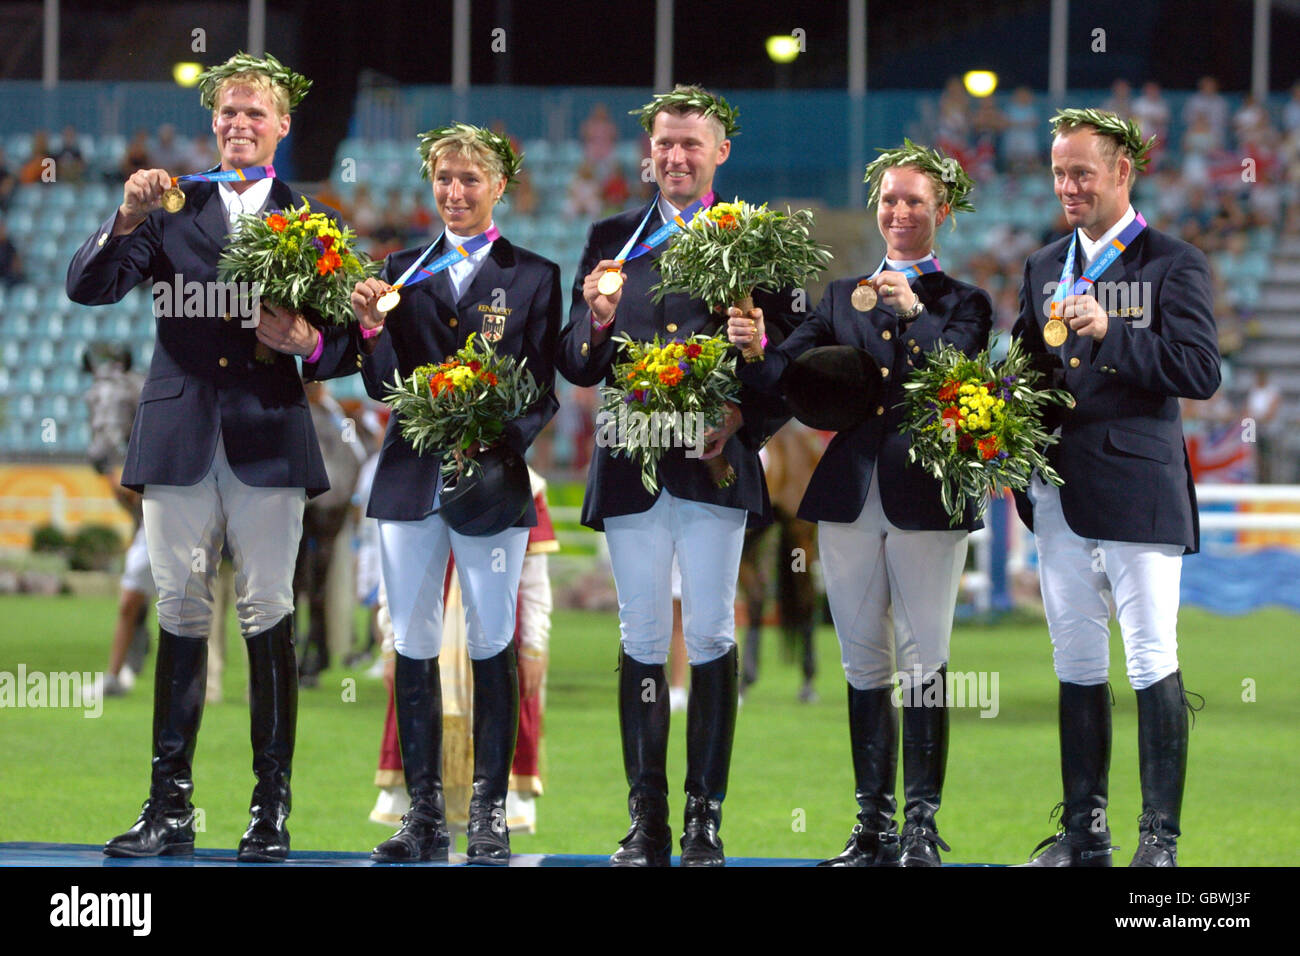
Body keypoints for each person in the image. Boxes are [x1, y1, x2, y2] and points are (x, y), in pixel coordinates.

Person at [66, 52, 353, 863]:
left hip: (270, 435)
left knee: (268, 615)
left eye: (254, 112)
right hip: (180, 435)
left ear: (282, 125)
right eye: (227, 111)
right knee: (181, 616)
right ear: (213, 122)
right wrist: (123, 218)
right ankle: (169, 808)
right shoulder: (165, 207)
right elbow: (87, 289)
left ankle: (270, 811)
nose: (238, 124)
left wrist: (312, 340)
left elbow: (353, 348)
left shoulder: (315, 218)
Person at [729, 142, 992, 866]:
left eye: (914, 200)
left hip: (927, 498)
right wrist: (756, 348)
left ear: (942, 210)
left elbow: (961, 379)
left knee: (925, 660)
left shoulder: (964, 302)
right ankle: (872, 826)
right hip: (847, 498)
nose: (900, 211)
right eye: (889, 200)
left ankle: (922, 827)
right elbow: (793, 371)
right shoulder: (841, 296)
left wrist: (919, 319)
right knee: (862, 661)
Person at [556, 85, 796, 867]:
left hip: (713, 466)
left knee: (716, 631)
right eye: (664, 144)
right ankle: (647, 819)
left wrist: (748, 395)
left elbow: (791, 374)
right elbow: (575, 362)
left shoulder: (756, 243)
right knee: (643, 637)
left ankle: (704, 818)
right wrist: (593, 320)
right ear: (648, 151)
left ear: (720, 152)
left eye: (691, 145)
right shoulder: (611, 237)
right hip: (631, 461)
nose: (676, 157)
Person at [345, 123, 561, 865]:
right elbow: (379, 385)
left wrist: (496, 440)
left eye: (471, 179)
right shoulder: (398, 270)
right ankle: (424, 815)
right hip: (409, 477)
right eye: (444, 177)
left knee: (492, 642)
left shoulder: (534, 275)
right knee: (412, 643)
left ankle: (492, 813)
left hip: (493, 484)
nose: (456, 191)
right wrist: (371, 328)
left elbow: (541, 394)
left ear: (500, 186)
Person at [1011, 109, 1221, 867]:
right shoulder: (1040, 266)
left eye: (1081, 173)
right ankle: (1083, 832)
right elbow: (1029, 373)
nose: (1067, 186)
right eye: (1059, 172)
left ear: (1122, 172)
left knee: (1149, 657)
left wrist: (1112, 331)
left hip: (1138, 488)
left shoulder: (1173, 263)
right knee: (1075, 662)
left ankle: (1158, 842)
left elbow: (1200, 371)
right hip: (1057, 493)